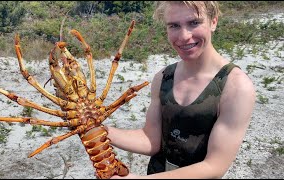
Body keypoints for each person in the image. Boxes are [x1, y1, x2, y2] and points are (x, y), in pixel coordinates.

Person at [106, 1, 256, 179]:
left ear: (213, 22)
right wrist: (99, 131)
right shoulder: (163, 77)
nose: (184, 36)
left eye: (194, 23)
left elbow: (215, 166)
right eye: (174, 25)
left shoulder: (235, 86)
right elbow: (152, 140)